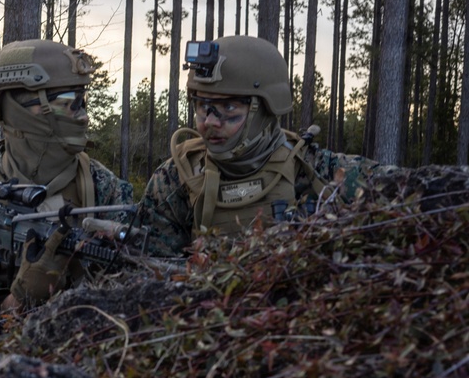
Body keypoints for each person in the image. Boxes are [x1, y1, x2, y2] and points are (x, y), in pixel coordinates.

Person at [138, 35, 387, 257]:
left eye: (229, 108)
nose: (210, 122)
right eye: (203, 106)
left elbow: (404, 193)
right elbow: (151, 272)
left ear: (265, 111)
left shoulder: (319, 170)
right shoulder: (176, 178)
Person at [0, 38, 133, 313]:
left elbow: (134, 290)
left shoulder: (103, 186)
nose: (83, 116)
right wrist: (19, 299)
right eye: (68, 102)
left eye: (82, 100)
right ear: (21, 112)